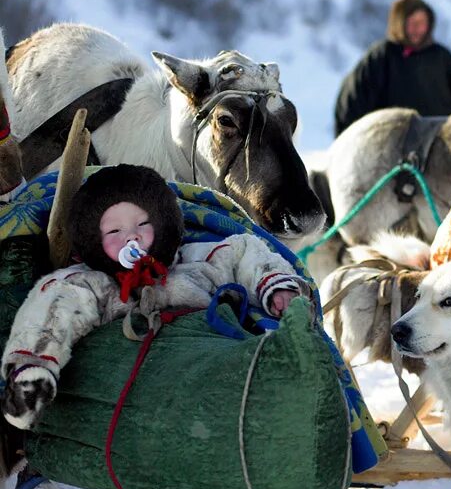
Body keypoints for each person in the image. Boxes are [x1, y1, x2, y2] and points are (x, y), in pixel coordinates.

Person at [1, 164, 309, 430]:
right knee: (56, 296)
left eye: (142, 225)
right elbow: (55, 306)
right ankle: (32, 379)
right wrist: (35, 362)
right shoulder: (94, 284)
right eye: (114, 232)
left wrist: (274, 284)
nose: (130, 237)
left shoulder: (192, 261)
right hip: (136, 392)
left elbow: (243, 252)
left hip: (211, 372)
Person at [333, 0, 451, 137]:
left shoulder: (442, 58)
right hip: (389, 144)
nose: (418, 29)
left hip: (438, 145)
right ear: (399, 23)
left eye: (423, 23)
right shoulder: (381, 56)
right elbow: (350, 102)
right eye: (412, 23)